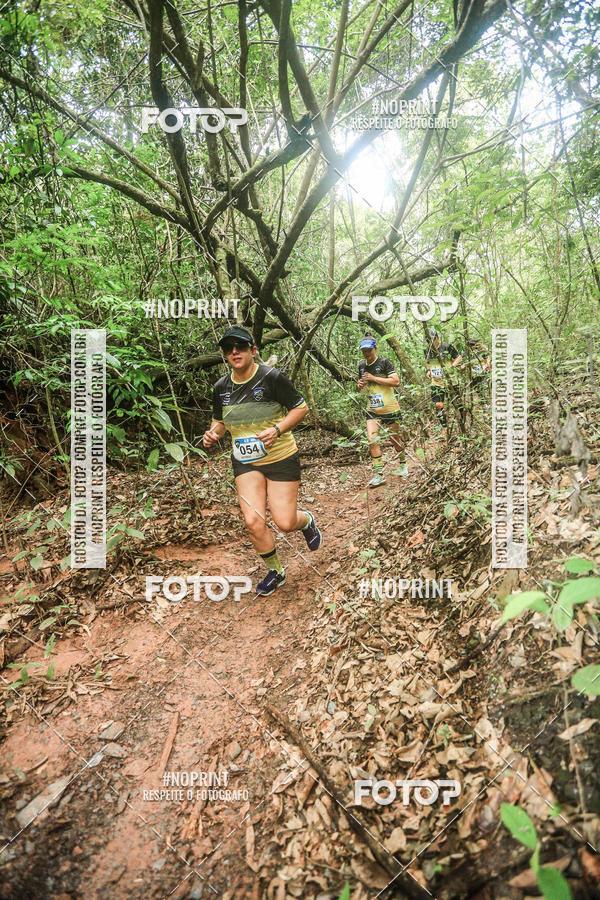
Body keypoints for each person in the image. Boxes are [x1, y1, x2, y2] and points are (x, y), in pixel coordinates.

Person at [202, 326, 321, 596]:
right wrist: (213, 435)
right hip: (246, 462)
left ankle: (307, 521)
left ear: (253, 351)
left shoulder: (272, 378)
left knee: (284, 522)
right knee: (253, 521)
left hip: (280, 457)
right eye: (228, 348)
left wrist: (278, 429)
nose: (234, 352)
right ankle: (276, 570)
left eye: (240, 346)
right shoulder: (221, 388)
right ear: (224, 355)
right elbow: (220, 423)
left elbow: (301, 408)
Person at [357, 336, 407, 488]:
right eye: (364, 351)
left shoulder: (384, 362)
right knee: (372, 440)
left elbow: (396, 382)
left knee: (395, 439)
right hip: (372, 409)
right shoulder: (361, 365)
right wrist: (359, 385)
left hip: (390, 408)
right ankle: (379, 475)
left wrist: (374, 377)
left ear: (375, 349)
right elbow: (363, 388)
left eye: (369, 350)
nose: (367, 353)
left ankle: (403, 466)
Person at [424, 327, 462, 429]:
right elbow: (427, 363)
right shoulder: (427, 350)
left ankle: (462, 423)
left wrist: (452, 367)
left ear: (437, 337)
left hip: (450, 380)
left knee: (458, 403)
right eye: (428, 340)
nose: (430, 342)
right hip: (436, 382)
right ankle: (444, 427)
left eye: (432, 339)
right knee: (438, 405)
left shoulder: (446, 346)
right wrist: (428, 371)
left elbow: (459, 357)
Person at [463, 336, 491, 400]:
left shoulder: (481, 350)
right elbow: (464, 363)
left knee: (483, 387)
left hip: (482, 371)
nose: (472, 346)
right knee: (476, 388)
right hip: (473, 374)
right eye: (470, 345)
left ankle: (485, 401)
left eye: (473, 344)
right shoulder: (466, 353)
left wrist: (487, 364)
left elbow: (487, 357)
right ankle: (483, 401)